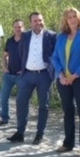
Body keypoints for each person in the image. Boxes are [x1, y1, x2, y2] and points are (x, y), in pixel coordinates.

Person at [51, 7, 80, 157]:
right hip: (63, 80)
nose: (72, 19)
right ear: (65, 20)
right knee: (68, 112)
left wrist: (75, 76)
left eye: (74, 16)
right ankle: (68, 143)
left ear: (79, 18)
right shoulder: (61, 37)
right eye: (69, 17)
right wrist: (61, 75)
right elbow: (55, 58)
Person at [7, 12, 56, 144]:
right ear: (30, 23)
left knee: (43, 105)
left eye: (40, 20)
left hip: (44, 75)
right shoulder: (25, 36)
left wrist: (53, 73)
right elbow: (21, 52)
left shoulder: (51, 36)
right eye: (35, 21)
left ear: (43, 20)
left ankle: (39, 134)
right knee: (21, 102)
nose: (38, 23)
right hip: (27, 75)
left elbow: (55, 55)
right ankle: (20, 132)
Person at [0, 19, 24, 126]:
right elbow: (4, 55)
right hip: (9, 74)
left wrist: (24, 69)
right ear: (13, 28)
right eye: (16, 27)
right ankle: (4, 118)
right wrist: (4, 67)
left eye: (20, 27)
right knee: (3, 97)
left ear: (23, 27)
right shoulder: (9, 40)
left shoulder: (27, 40)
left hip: (21, 75)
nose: (18, 29)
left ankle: (21, 121)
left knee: (21, 100)